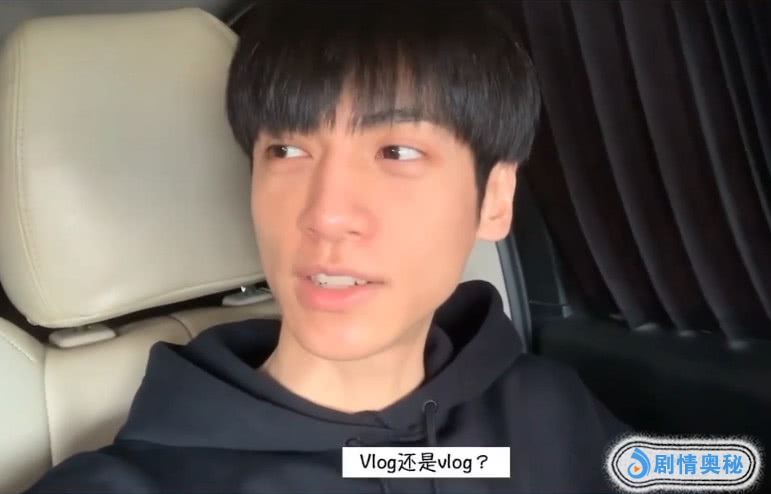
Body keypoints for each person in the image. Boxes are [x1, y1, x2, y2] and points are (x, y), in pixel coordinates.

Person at [26, 1, 629, 492]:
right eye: (287, 151)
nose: (326, 215)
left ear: (494, 199)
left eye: (397, 152)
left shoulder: (550, 413)